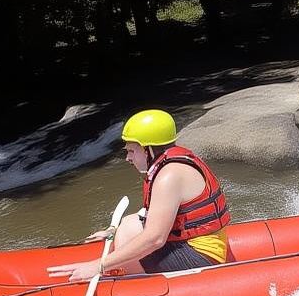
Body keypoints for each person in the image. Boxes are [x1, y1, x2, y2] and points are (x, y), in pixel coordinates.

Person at [49, 110, 232, 281]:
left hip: (203, 259)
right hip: (197, 246)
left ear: (148, 150)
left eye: (131, 151)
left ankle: (134, 287)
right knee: (128, 224)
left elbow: (155, 239)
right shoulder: (170, 164)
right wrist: (112, 232)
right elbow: (153, 216)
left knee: (129, 231)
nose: (127, 158)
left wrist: (99, 266)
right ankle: (125, 269)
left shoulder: (169, 176)